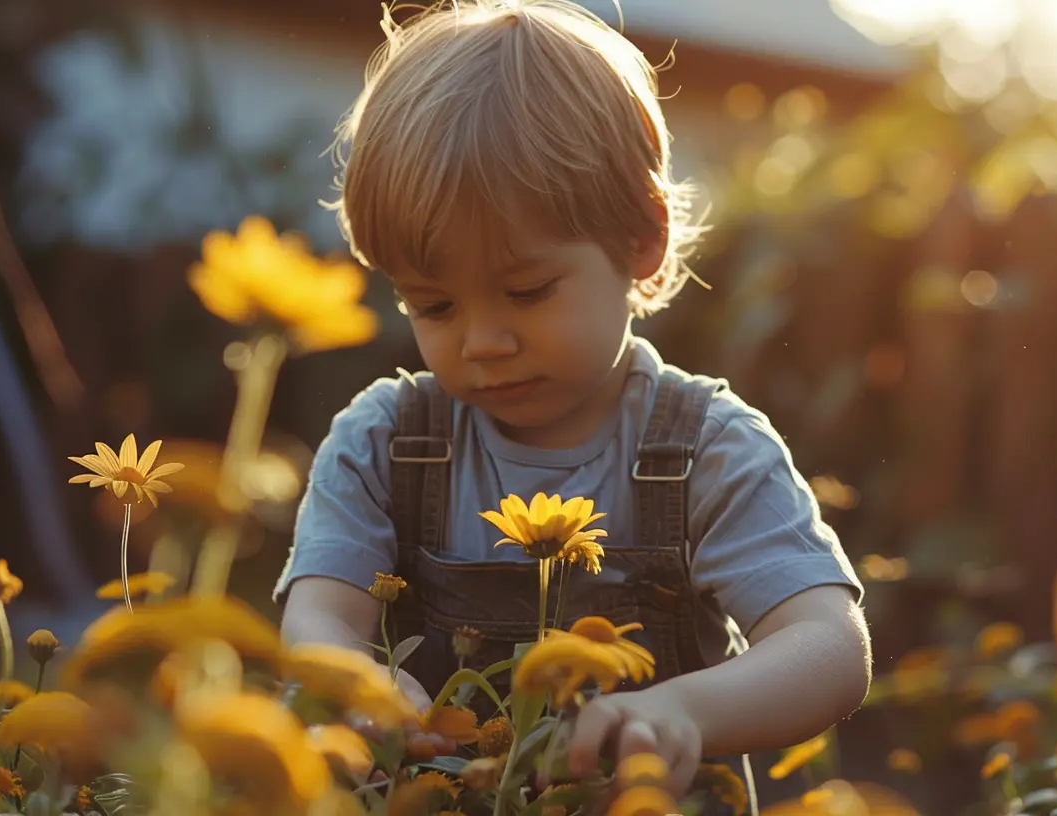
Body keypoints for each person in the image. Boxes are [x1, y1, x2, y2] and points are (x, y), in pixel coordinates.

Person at [276, 0, 869, 805]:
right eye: (434, 306)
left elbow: (830, 648)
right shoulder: (384, 442)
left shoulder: (707, 451)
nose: (482, 340)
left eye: (526, 290)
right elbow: (321, 617)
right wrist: (356, 680)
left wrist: (683, 712)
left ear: (643, 243)